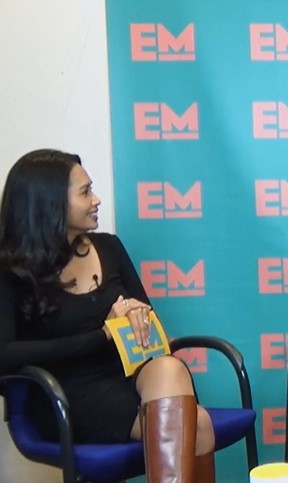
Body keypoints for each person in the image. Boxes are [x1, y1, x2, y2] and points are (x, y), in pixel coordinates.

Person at [0, 149, 216, 483]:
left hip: (128, 376)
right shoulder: (11, 271)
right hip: (66, 392)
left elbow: (151, 325)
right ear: (51, 204)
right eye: (85, 192)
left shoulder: (110, 247)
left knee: (170, 368)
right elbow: (5, 355)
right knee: (198, 426)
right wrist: (104, 334)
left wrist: (140, 319)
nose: (96, 200)